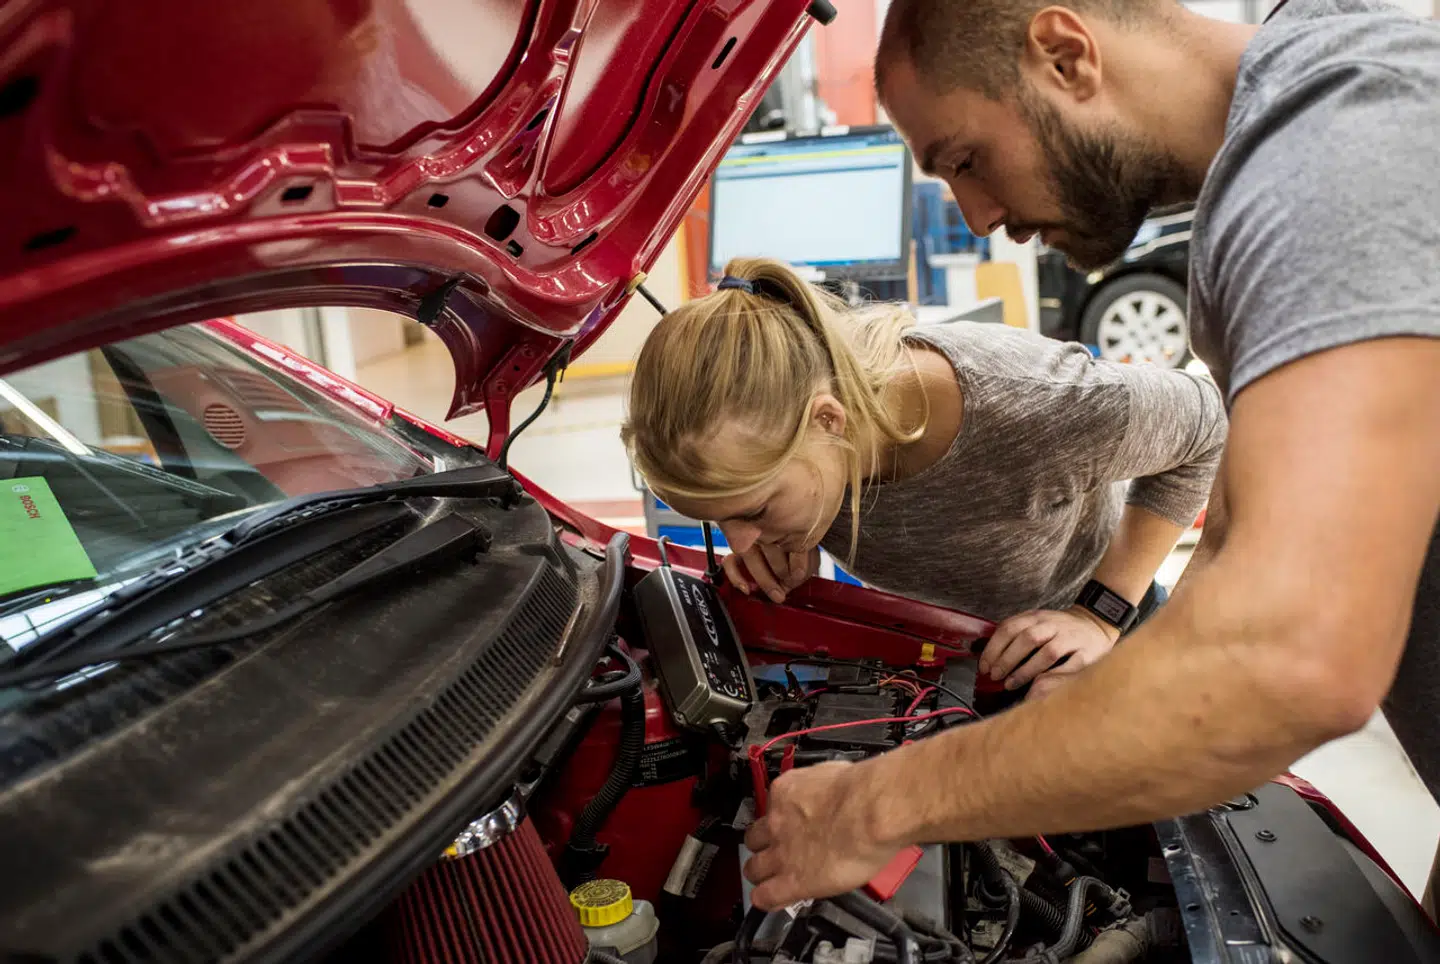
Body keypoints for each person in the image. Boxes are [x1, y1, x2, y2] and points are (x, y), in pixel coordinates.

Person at [738, 0, 1440, 916]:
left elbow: (1285, 657)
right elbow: (1234, 540)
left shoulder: (1335, 147)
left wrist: (877, 804)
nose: (979, 215)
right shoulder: (1275, 153)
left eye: (965, 160)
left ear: (1065, 56)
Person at [622, 256, 1225, 699]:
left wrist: (1101, 614)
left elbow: (1209, 424)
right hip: (950, 657)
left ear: (828, 421)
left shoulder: (1028, 405)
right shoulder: (797, 425)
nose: (741, 543)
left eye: (753, 512)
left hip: (1084, 647)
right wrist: (795, 540)